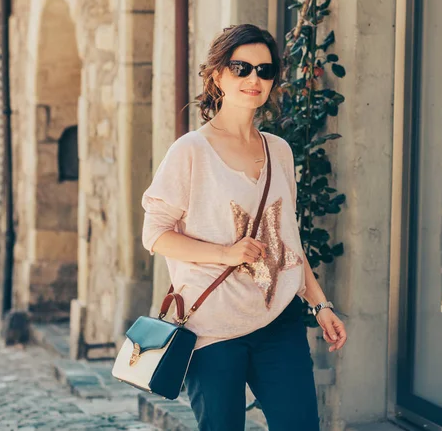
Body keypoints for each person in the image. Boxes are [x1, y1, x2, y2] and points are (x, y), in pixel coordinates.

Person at [141, 23, 347, 431]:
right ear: (217, 75)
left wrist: (320, 304)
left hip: (278, 321)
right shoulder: (190, 151)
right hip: (212, 329)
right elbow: (155, 235)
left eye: (265, 71)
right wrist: (225, 253)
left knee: (301, 425)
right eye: (241, 68)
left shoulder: (279, 150)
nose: (254, 79)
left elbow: (289, 239)